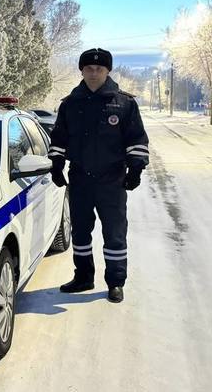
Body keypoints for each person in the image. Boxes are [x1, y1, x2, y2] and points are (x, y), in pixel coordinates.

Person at [48, 48, 149, 303]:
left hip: (112, 180)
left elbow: (136, 139)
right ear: (81, 71)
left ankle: (115, 282)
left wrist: (135, 169)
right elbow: (59, 137)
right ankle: (83, 276)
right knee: (80, 231)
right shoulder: (70, 104)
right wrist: (56, 164)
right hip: (80, 178)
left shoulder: (124, 103)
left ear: (107, 71)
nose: (94, 74)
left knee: (114, 233)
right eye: (89, 69)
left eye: (99, 69)